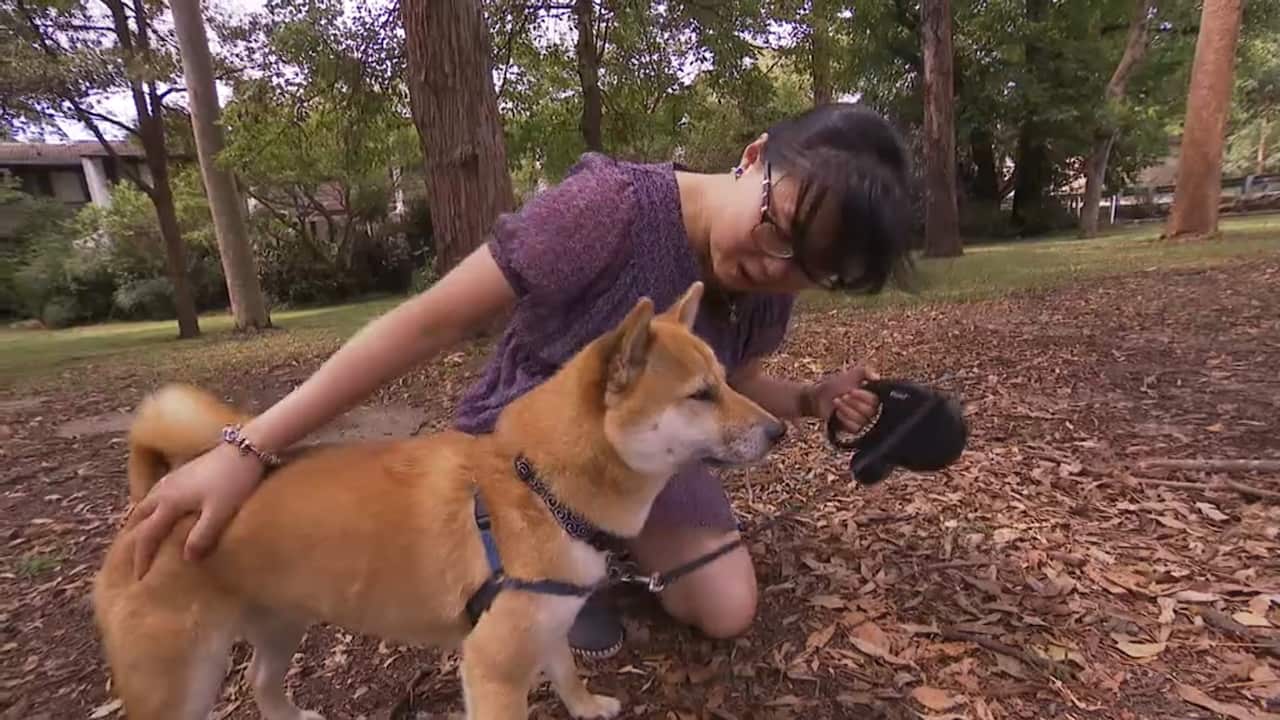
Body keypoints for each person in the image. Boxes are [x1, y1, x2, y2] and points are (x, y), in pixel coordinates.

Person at [127, 102, 914, 659]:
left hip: (644, 459)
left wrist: (811, 398)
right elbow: (430, 322)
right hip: (529, 454)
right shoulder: (610, 208)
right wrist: (250, 443)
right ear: (755, 156)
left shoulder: (761, 293)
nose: (775, 267)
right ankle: (566, 574)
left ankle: (597, 556)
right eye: (778, 226)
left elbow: (739, 378)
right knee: (550, 585)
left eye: (813, 269)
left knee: (726, 609)